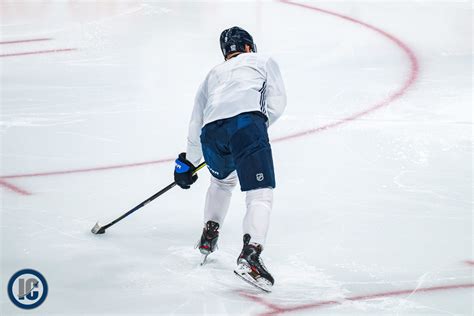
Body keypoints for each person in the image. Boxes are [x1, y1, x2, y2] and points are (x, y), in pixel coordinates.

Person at [173, 26, 286, 292]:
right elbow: (276, 104)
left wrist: (188, 162)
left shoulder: (212, 74)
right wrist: (254, 130)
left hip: (211, 132)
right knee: (260, 194)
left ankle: (209, 234)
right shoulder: (263, 60)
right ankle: (251, 254)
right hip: (246, 124)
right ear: (248, 47)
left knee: (222, 183)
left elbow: (196, 120)